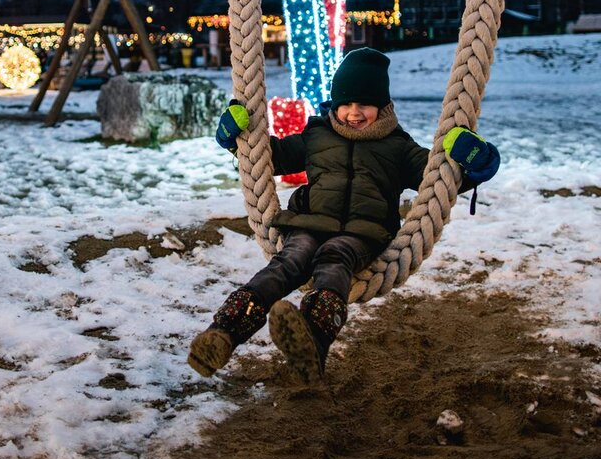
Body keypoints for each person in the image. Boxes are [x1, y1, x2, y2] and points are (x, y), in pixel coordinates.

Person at [188, 47, 500, 383]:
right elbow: (271, 157)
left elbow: (440, 179)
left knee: (335, 259)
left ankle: (313, 341)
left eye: (364, 104)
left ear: (382, 106)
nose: (353, 112)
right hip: (309, 222)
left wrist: (479, 161)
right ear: (334, 104)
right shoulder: (317, 135)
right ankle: (224, 332)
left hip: (363, 233)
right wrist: (237, 140)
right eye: (345, 104)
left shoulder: (398, 147)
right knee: (288, 261)